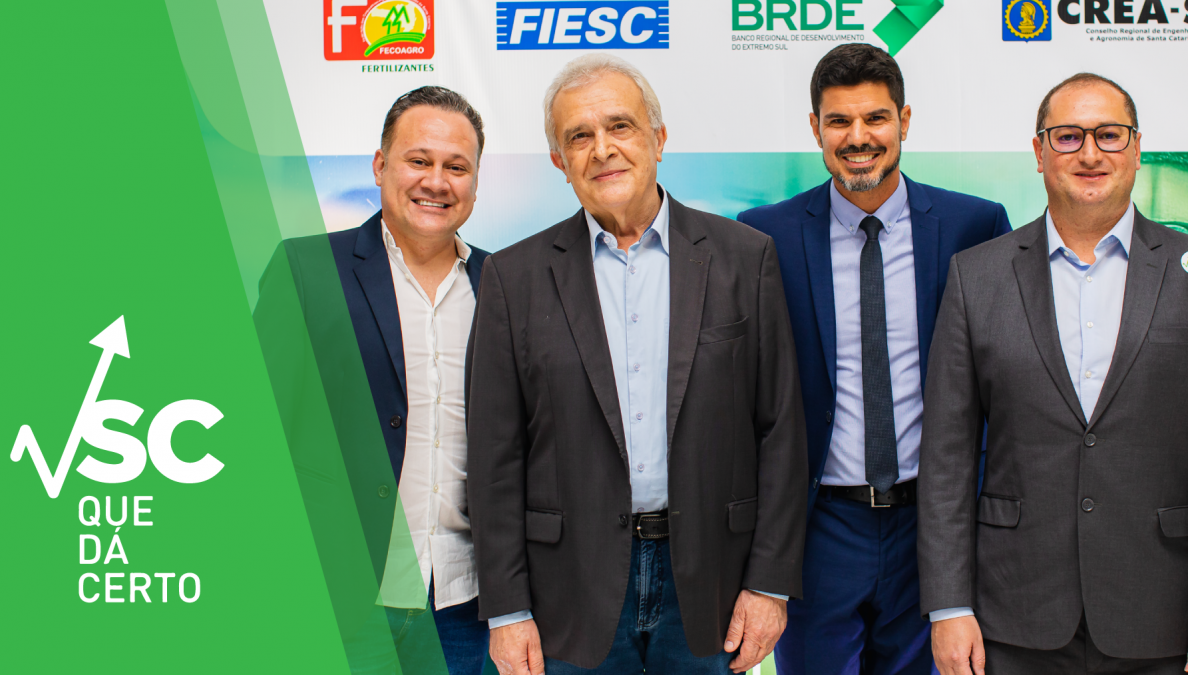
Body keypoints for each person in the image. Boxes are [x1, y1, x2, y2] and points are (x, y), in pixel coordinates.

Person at [466, 54, 808, 675]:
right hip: (567, 591)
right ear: (559, 161)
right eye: (579, 136)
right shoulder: (512, 278)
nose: (602, 149)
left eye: (619, 126)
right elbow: (495, 457)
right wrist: (507, 610)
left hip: (712, 584)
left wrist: (769, 584)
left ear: (658, 138)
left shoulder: (745, 257)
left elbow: (781, 432)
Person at [737, 44, 1011, 675]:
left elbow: (1004, 383)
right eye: (839, 121)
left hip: (934, 530)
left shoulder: (974, 226)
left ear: (904, 121)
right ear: (816, 129)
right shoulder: (764, 235)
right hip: (818, 531)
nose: (858, 137)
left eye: (876, 118)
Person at [918, 72, 1188, 675]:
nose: (1090, 153)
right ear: (1039, 153)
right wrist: (948, 605)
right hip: (1013, 614)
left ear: (1137, 150)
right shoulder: (976, 276)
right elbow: (946, 457)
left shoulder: (1183, 269)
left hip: (1162, 612)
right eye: (1068, 136)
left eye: (1109, 135)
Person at [275, 86, 491, 675]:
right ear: (380, 165)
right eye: (419, 160)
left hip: (464, 604)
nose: (436, 181)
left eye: (456, 167)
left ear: (475, 183)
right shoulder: (306, 269)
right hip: (340, 598)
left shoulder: (504, 284)